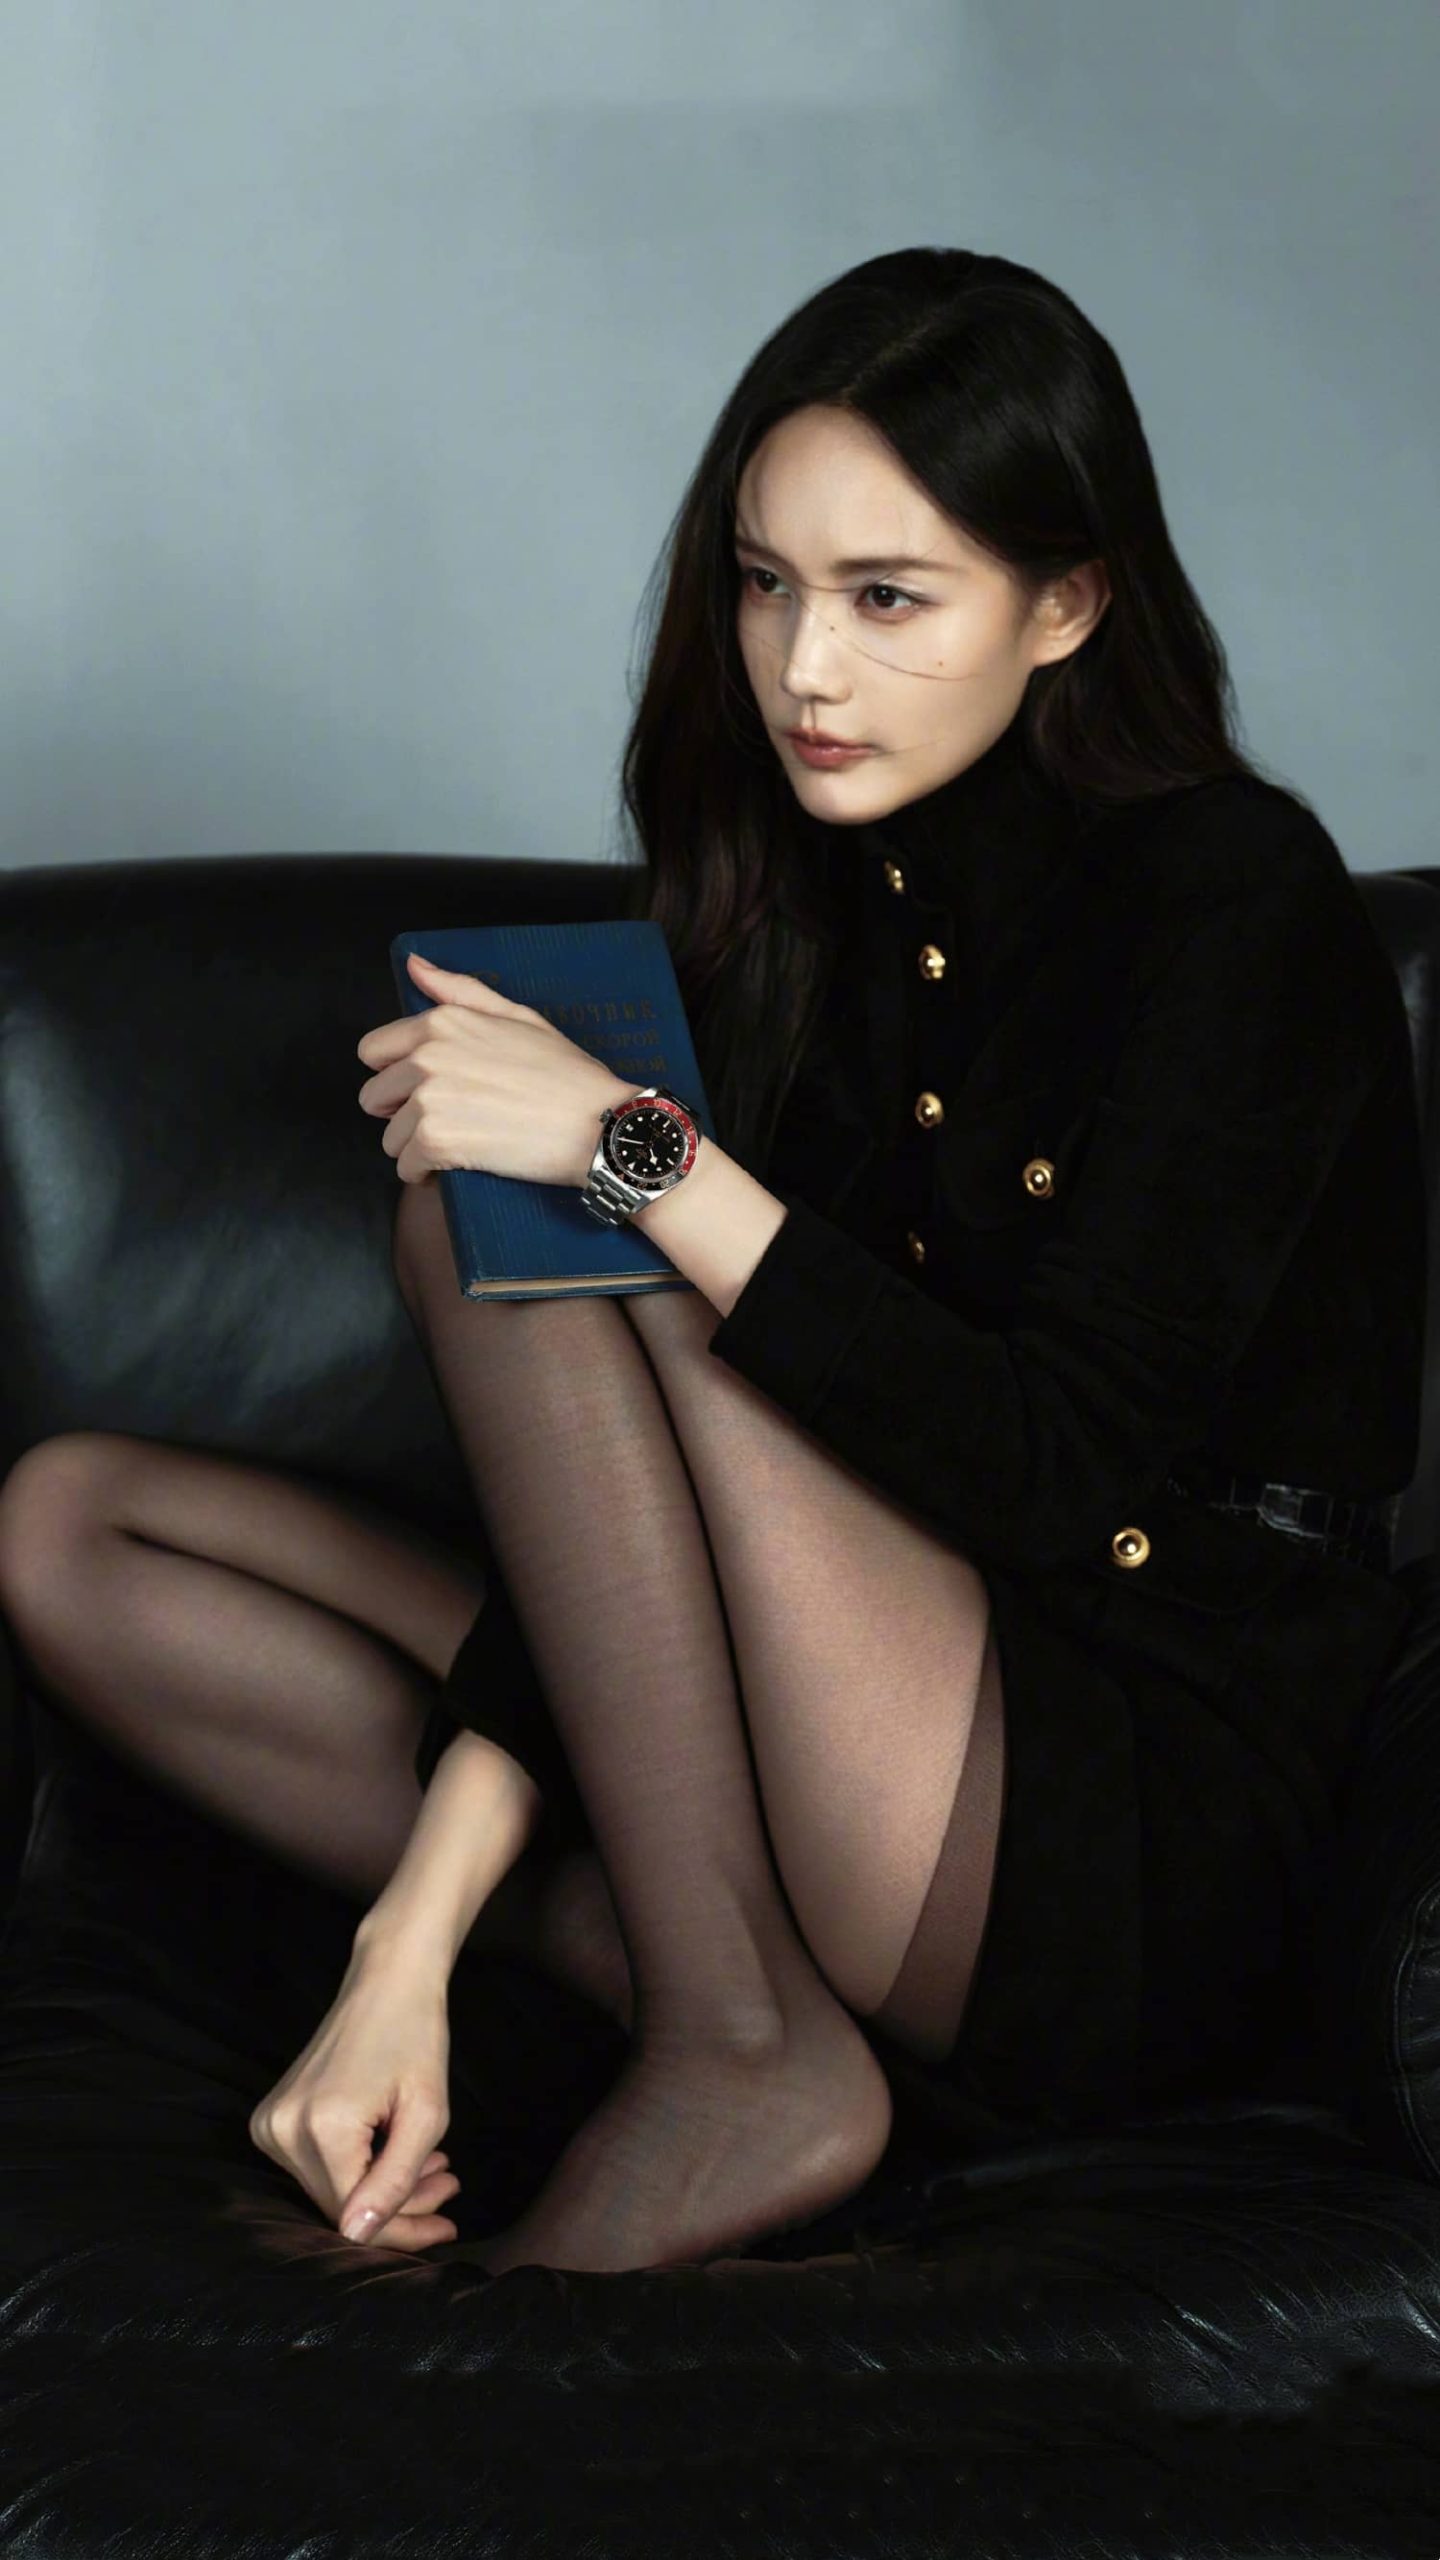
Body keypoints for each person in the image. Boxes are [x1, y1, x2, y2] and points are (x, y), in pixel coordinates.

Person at [0, 246, 1423, 2280]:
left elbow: (1048, 1468)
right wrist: (402, 1948)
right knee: (76, 1527)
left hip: (1123, 1814)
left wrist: (629, 1151)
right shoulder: (808, 903)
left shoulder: (1235, 903)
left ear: (1069, 603)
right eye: (766, 584)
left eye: (887, 597)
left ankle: (740, 2049)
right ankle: (736, 2003)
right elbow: (618, 1517)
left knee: (524, 1196)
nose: (804, 669)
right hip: (821, 1740)